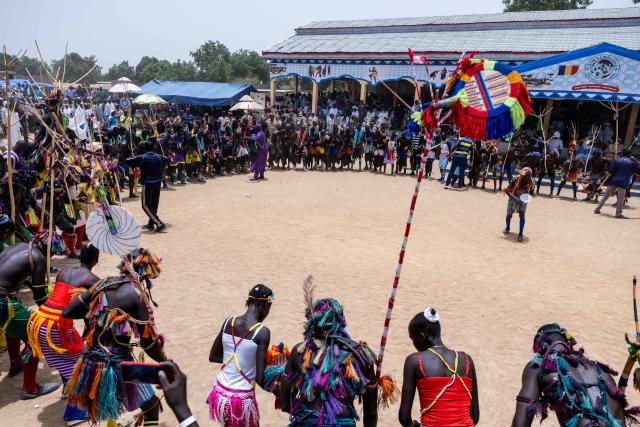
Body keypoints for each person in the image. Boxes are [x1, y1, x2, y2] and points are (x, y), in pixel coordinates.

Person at [63, 248, 167, 425]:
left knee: (114, 405)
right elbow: (147, 342)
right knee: (152, 405)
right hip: (117, 364)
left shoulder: (103, 284)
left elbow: (68, 311)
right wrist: (165, 362)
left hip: (90, 360)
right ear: (147, 275)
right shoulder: (136, 294)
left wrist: (93, 308)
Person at [27, 245, 101, 425]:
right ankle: (75, 412)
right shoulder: (94, 281)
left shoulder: (63, 272)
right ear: (96, 260)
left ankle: (69, 390)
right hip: (56, 325)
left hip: (39, 319)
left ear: (81, 257)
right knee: (78, 364)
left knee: (66, 358)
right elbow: (92, 314)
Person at [512, 323, 637, 426]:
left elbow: (521, 422)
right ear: (569, 343)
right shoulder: (600, 371)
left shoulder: (540, 364)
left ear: (539, 347)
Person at [279, 297, 378, 426]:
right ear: (340, 321)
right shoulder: (360, 355)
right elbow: (371, 411)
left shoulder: (299, 351)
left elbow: (285, 403)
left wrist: (299, 412)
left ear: (312, 323)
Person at [0, 220, 60, 399]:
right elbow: (40, 297)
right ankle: (30, 387)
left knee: (15, 326)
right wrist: (53, 316)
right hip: (2, 301)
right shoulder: (38, 257)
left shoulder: (16, 247)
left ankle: (16, 363)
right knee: (34, 334)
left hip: (5, 299)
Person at [398, 307, 479, 427]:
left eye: (413, 339)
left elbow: (404, 418)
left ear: (421, 337)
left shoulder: (415, 361)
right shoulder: (467, 360)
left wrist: (415, 425)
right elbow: (475, 417)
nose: (414, 344)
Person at [207, 285, 275, 427]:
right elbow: (260, 379)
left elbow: (213, 356)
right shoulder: (262, 333)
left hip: (219, 394)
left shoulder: (228, 322)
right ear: (265, 306)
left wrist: (241, 362)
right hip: (240, 402)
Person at [127, 140, 169, 232]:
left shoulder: (142, 157)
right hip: (157, 182)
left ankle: (158, 223)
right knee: (153, 205)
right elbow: (167, 159)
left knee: (145, 205)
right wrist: (160, 168)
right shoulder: (159, 156)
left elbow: (128, 161)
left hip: (148, 183)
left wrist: (137, 149)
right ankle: (151, 223)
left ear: (144, 148)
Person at [594, 148, 640, 218]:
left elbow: (610, 172)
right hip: (623, 182)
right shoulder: (632, 163)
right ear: (630, 155)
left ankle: (597, 209)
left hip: (613, 181)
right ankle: (618, 214)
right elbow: (638, 172)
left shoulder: (616, 160)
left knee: (605, 196)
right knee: (620, 199)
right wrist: (636, 162)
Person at [504, 167, 534, 243]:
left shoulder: (531, 181)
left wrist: (527, 198)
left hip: (523, 198)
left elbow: (531, 193)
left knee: (522, 214)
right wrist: (515, 198)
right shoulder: (515, 179)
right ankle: (507, 227)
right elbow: (507, 191)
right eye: (525, 175)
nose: (527, 177)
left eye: (528, 176)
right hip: (513, 196)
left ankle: (520, 234)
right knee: (509, 215)